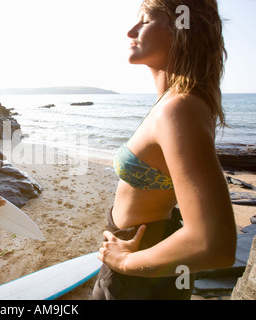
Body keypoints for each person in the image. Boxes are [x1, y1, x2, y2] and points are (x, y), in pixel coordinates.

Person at [93, 0, 237, 300]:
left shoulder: (179, 109)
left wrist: (126, 262)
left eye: (144, 21)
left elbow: (214, 244)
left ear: (179, 31)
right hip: (151, 249)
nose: (131, 30)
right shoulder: (177, 103)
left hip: (139, 268)